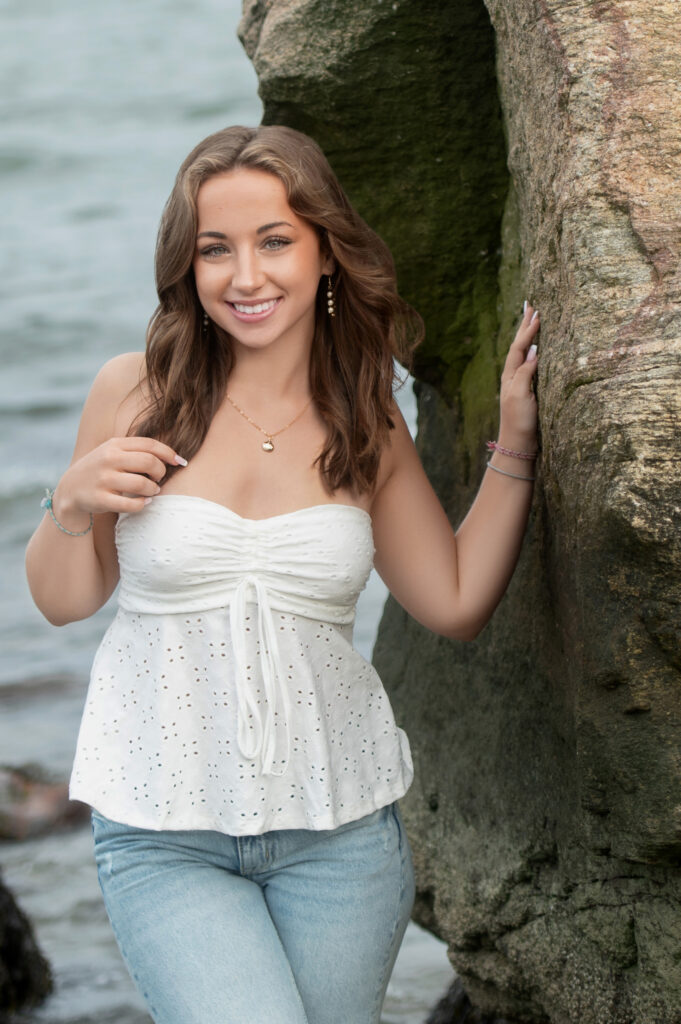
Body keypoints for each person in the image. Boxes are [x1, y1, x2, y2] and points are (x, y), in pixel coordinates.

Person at [25, 124, 539, 1024]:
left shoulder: (364, 419)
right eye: (214, 250)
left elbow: (453, 602)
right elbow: (66, 601)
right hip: (163, 834)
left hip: (340, 838)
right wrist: (71, 503)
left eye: (274, 242)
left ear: (326, 254)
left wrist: (516, 448)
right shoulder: (133, 393)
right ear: (186, 267)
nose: (245, 276)